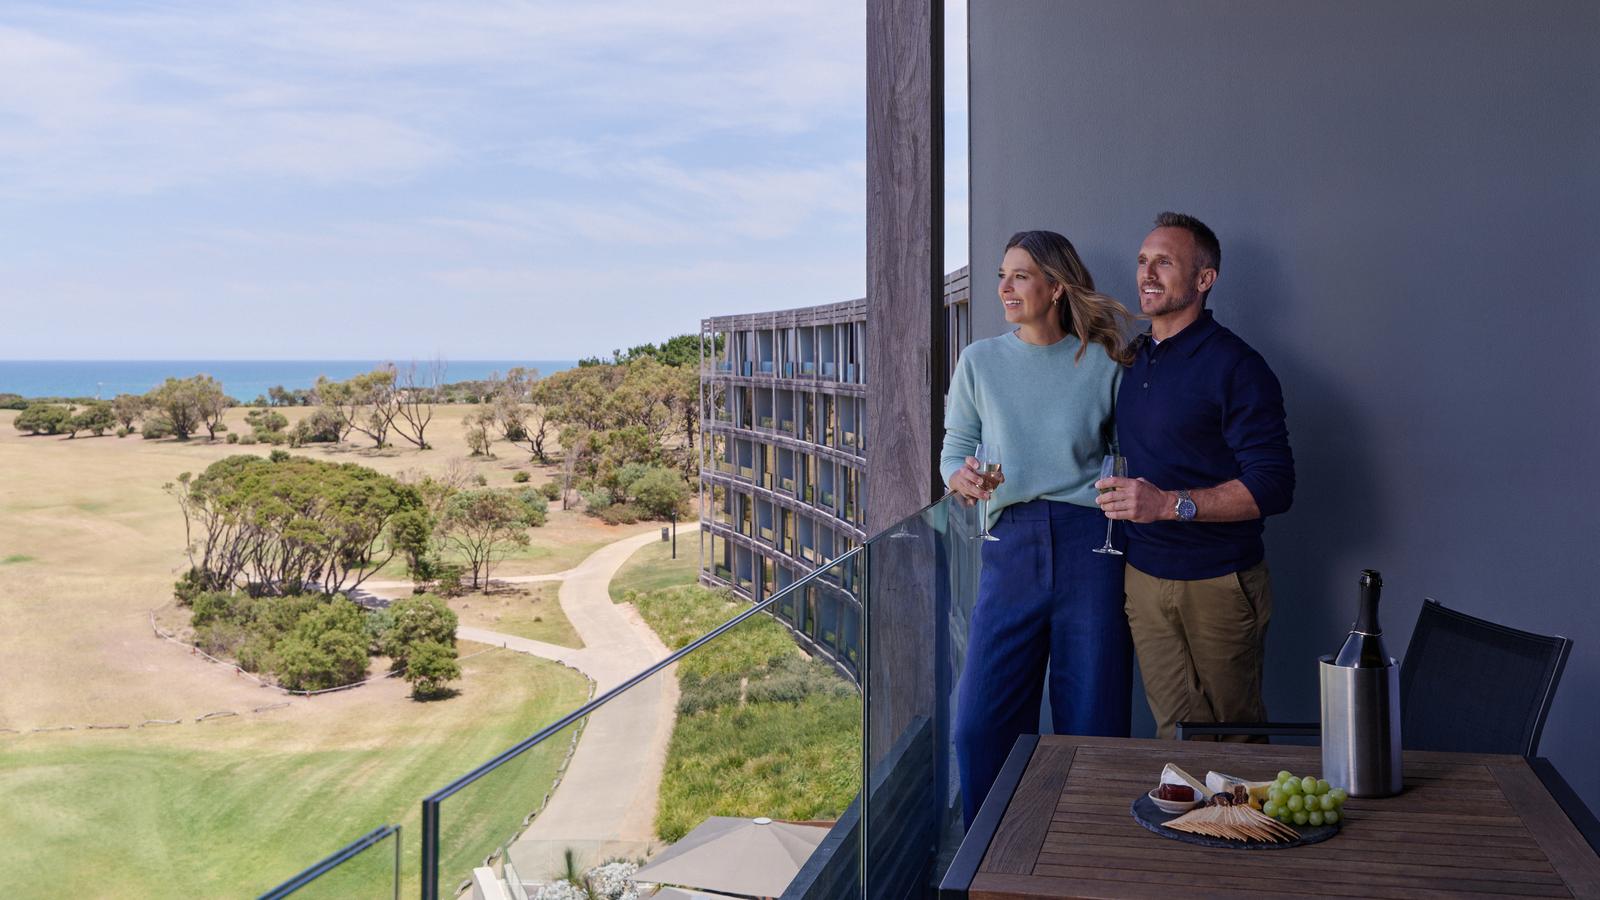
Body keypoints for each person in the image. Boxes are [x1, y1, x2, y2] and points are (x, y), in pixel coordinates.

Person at [942, 230, 1134, 826]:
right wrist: (960, 477)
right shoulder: (979, 361)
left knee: (1094, 723)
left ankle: (1084, 854)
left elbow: (1128, 454)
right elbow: (955, 448)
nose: (1004, 287)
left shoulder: (1102, 362)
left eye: (1020, 275)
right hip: (1010, 545)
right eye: (1002, 275)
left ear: (1055, 287)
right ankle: (992, 858)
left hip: (1092, 548)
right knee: (979, 726)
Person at [1095, 211, 1295, 741]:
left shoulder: (1238, 366)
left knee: (1235, 737)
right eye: (1142, 261)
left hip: (1218, 582)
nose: (1146, 274)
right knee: (1175, 733)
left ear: (1204, 279)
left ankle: (1242, 804)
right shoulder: (1134, 359)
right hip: (1143, 578)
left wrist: (1166, 504)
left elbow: (1274, 485)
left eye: (1164, 262)